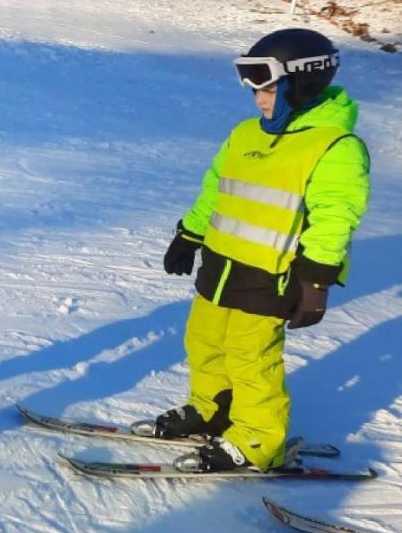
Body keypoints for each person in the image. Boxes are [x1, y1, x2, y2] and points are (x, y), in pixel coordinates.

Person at [149, 28, 370, 472]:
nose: (258, 99)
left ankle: (256, 438)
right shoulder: (245, 134)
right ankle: (212, 410)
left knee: (252, 358)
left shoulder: (335, 147)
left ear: (301, 82)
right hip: (221, 265)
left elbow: (335, 215)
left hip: (273, 273)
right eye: (253, 87)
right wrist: (190, 234)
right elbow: (216, 189)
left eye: (267, 86)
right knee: (204, 340)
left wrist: (317, 277)